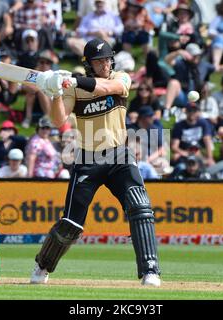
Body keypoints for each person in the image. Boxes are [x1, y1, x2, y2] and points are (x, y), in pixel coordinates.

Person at [29, 38, 161, 286]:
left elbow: (105, 89)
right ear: (89, 64)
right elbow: (58, 120)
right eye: (99, 61)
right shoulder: (74, 90)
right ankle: (42, 266)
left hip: (119, 156)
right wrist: (57, 92)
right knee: (71, 224)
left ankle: (150, 271)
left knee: (140, 208)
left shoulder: (121, 77)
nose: (105, 64)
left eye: (107, 59)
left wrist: (74, 80)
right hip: (87, 158)